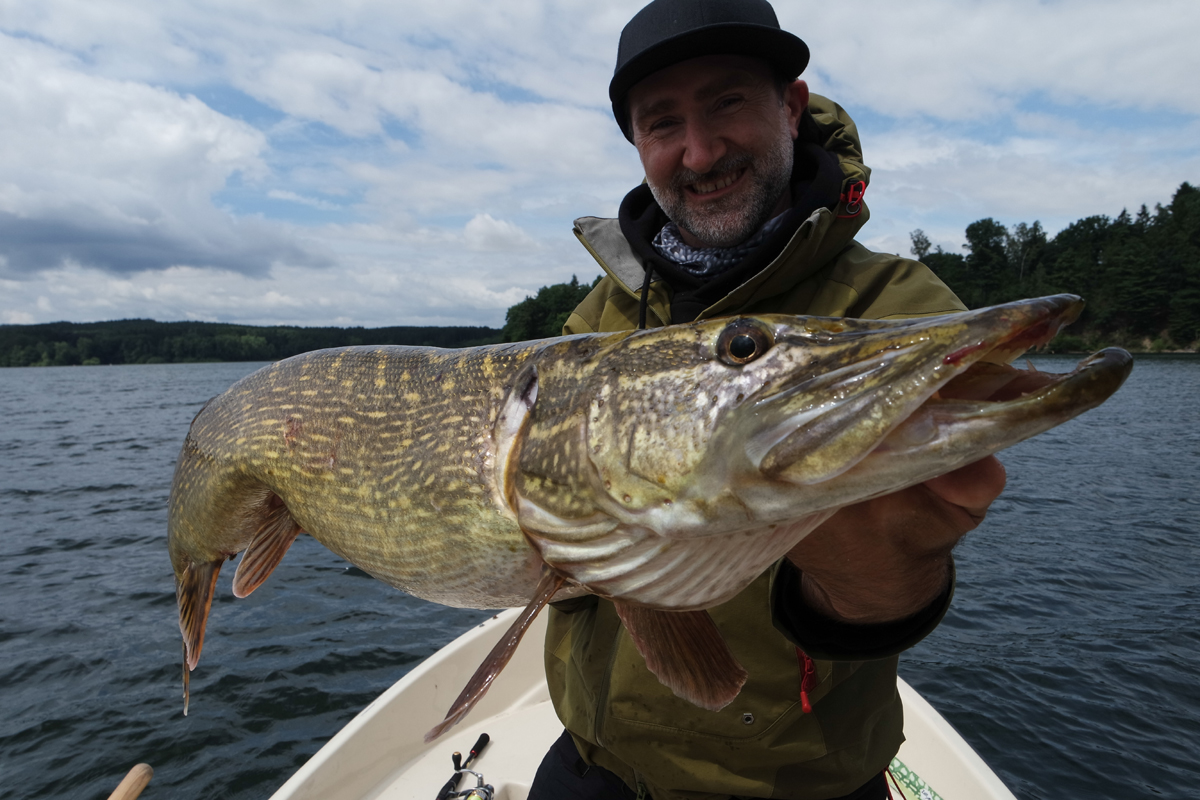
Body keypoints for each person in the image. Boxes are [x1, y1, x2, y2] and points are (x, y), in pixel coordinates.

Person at [527, 1, 1008, 798]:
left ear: (789, 106)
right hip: (597, 760)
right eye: (662, 123)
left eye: (727, 102)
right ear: (638, 145)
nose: (701, 150)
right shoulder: (601, 318)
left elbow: (891, 587)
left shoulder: (893, 304)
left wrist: (880, 571)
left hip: (793, 780)